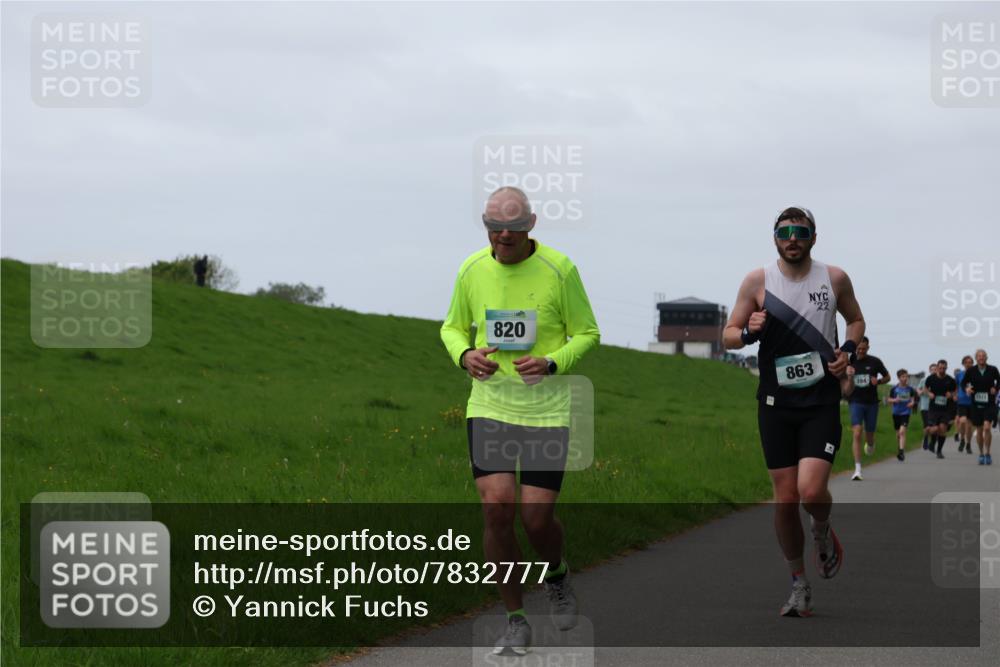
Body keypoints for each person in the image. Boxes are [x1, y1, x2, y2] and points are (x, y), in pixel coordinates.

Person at [440, 186, 600, 655]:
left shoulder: (559, 269)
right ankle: (514, 619)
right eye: (493, 225)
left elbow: (588, 333)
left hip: (546, 411)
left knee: (536, 517)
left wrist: (551, 363)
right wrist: (465, 354)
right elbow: (452, 326)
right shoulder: (472, 269)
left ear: (532, 224)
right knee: (497, 509)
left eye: (511, 225)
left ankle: (556, 575)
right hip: (490, 406)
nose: (502, 234)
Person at [724, 206, 864, 618]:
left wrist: (848, 352)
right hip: (775, 403)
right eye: (784, 232)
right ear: (774, 238)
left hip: (820, 400)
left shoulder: (834, 278)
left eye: (800, 232)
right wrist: (750, 330)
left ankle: (822, 531)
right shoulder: (757, 281)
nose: (792, 238)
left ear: (813, 238)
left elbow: (856, 321)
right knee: (785, 501)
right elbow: (729, 336)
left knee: (811, 491)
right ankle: (799, 583)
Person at [846, 337, 889, 480]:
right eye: (858, 349)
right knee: (857, 432)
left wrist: (879, 381)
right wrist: (848, 377)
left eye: (863, 349)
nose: (861, 351)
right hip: (855, 401)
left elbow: (887, 377)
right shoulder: (849, 361)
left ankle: (870, 444)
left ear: (868, 348)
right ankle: (858, 469)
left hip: (871, 403)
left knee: (869, 435)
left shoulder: (875, 362)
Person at [960, 349, 1000, 465]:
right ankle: (981, 454)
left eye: (983, 356)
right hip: (976, 404)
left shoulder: (993, 369)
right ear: (976, 359)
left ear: (986, 358)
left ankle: (988, 453)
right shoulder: (971, 371)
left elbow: (999, 381)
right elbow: (963, 383)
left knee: (987, 427)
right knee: (979, 429)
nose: (981, 358)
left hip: (989, 403)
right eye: (979, 356)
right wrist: (966, 389)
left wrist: (996, 388)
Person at [924, 360, 957, 459]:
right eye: (940, 368)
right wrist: (929, 393)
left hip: (946, 409)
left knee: (942, 429)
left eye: (944, 368)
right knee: (934, 429)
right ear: (937, 368)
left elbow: (955, 392)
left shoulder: (950, 380)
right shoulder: (931, 378)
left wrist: (951, 395)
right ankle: (930, 439)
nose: (942, 370)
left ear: (946, 368)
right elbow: (925, 388)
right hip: (933, 408)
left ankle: (939, 451)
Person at [888, 369, 917, 462]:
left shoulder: (910, 389)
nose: (905, 378)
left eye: (906, 376)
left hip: (906, 413)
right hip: (896, 413)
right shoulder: (894, 389)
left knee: (902, 432)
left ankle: (901, 452)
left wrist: (912, 403)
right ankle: (900, 447)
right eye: (903, 377)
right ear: (899, 378)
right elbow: (888, 399)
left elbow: (913, 399)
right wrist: (894, 400)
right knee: (898, 434)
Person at [955, 356, 975, 453]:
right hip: (962, 401)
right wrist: (954, 395)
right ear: (963, 364)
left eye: (970, 362)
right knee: (962, 421)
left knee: (970, 426)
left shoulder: (976, 374)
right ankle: (962, 439)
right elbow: (955, 387)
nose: (968, 364)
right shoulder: (959, 375)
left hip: (972, 402)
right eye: (966, 362)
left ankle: (968, 444)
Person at [918, 363, 936, 451]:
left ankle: (932, 442)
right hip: (925, 406)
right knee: (927, 425)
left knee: (933, 425)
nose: (933, 371)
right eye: (932, 369)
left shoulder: (938, 381)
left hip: (935, 407)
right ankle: (925, 439)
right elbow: (918, 390)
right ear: (929, 370)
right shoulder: (923, 380)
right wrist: (923, 392)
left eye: (935, 369)